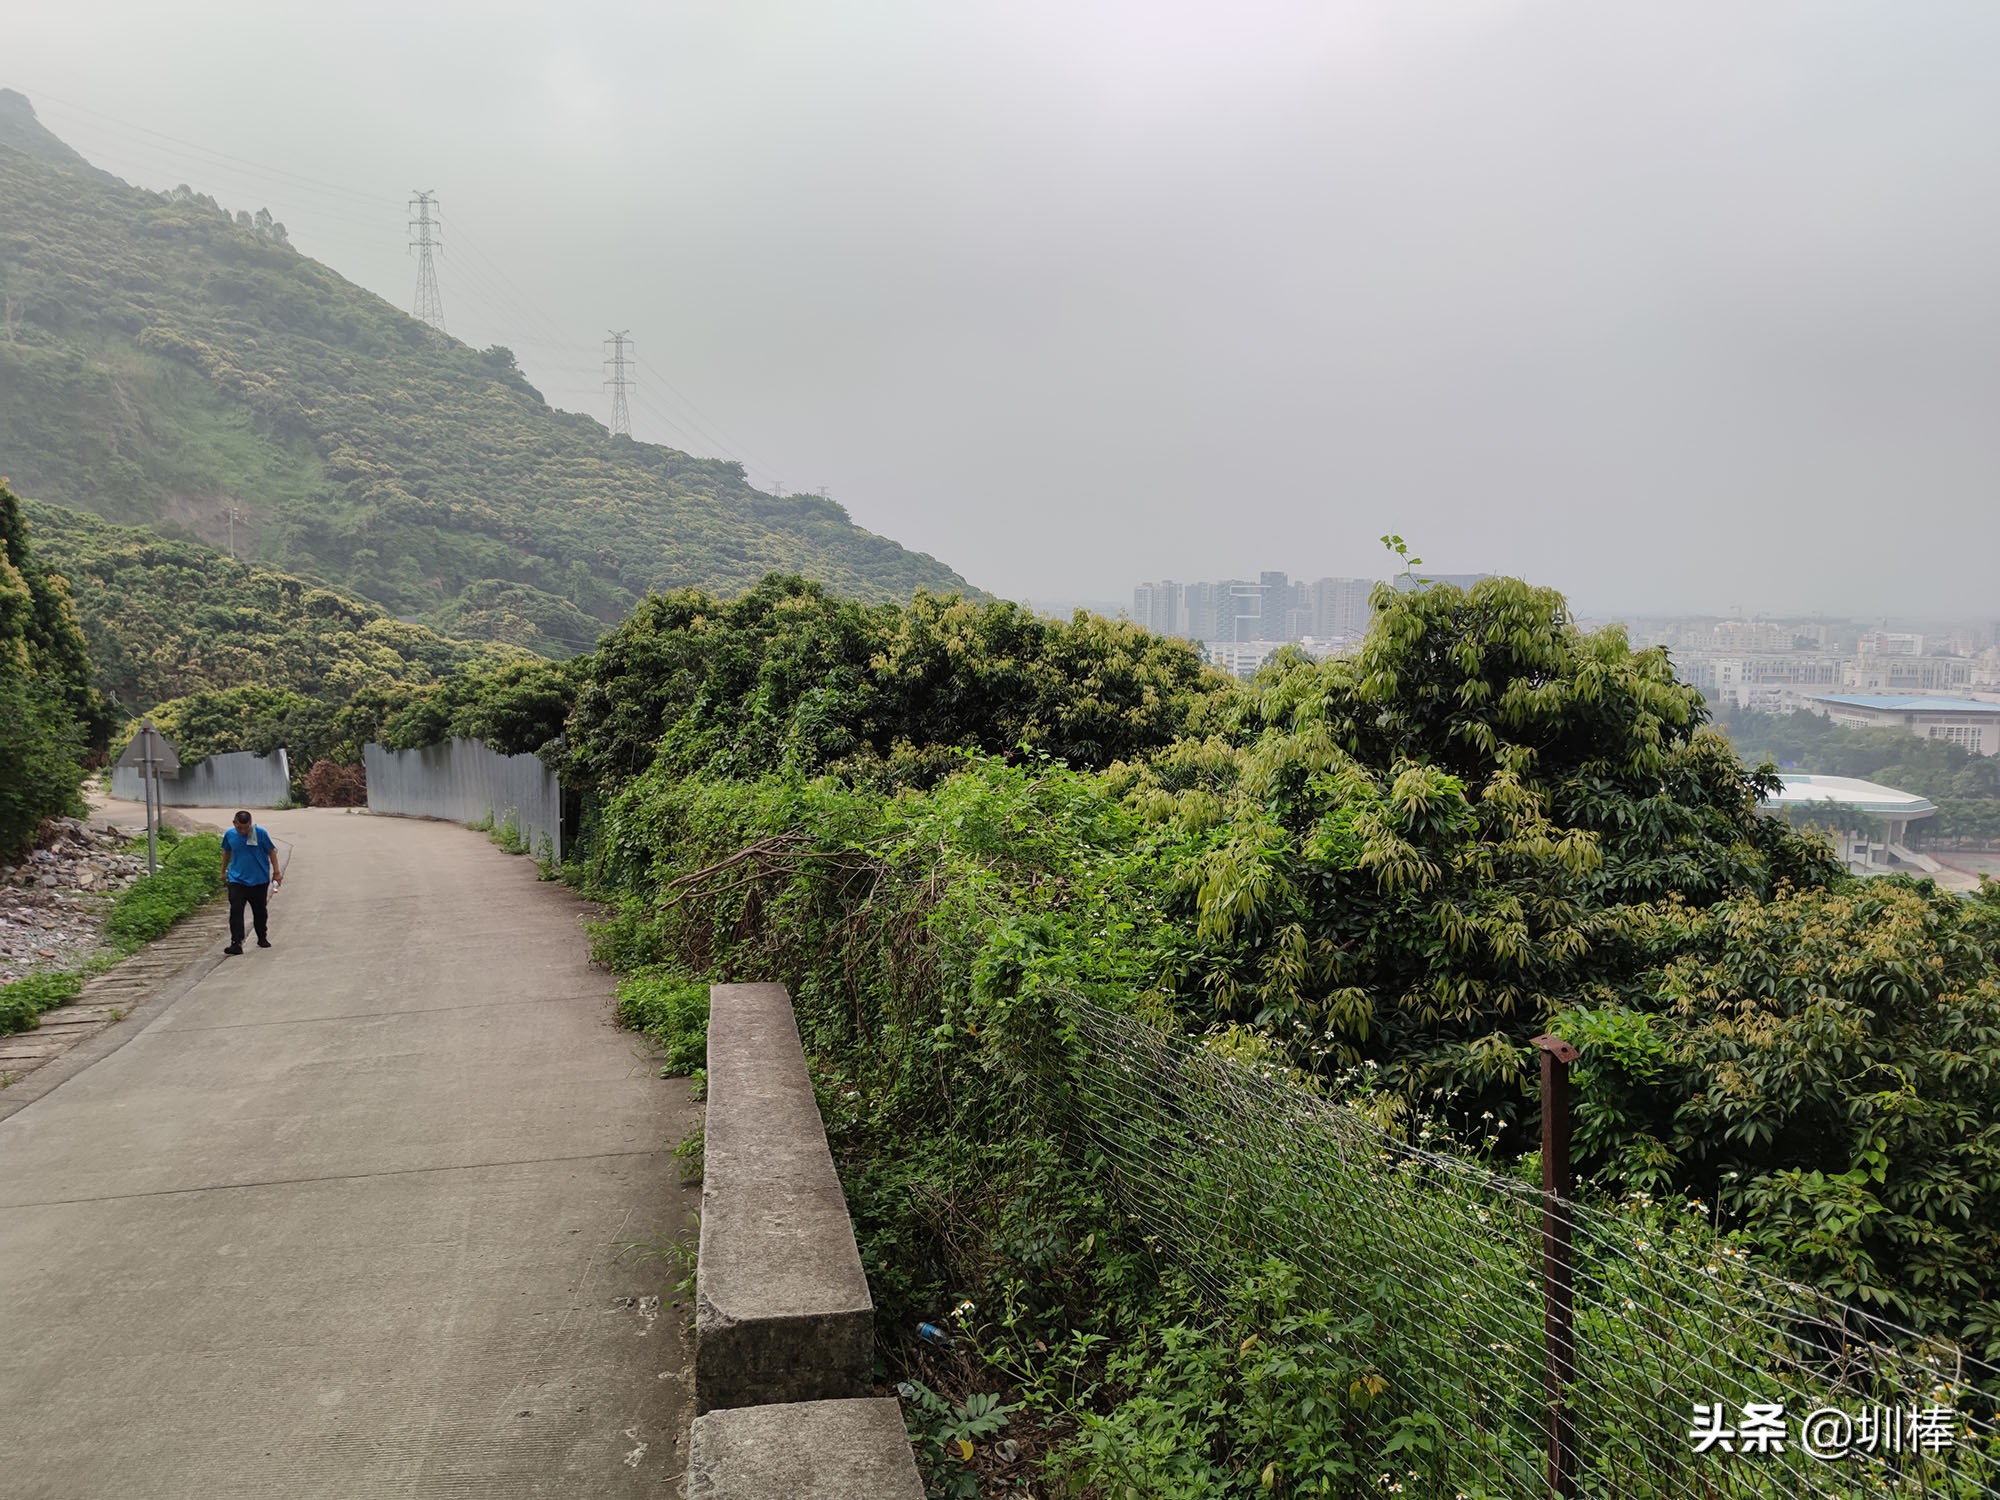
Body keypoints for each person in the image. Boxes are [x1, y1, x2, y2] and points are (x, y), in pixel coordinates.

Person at [219, 810, 282, 955]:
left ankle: (262, 937)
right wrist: (223, 871)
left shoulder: (260, 833)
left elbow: (271, 851)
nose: (243, 831)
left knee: (260, 911)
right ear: (234, 823)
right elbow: (227, 852)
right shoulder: (230, 835)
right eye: (239, 828)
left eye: (246, 828)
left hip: (259, 879)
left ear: (251, 824)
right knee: (236, 911)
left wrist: (276, 872)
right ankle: (236, 943)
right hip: (237, 879)